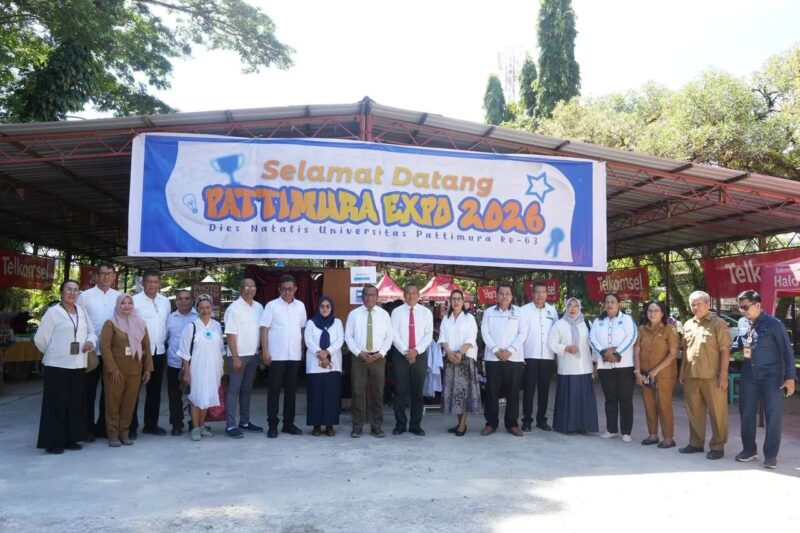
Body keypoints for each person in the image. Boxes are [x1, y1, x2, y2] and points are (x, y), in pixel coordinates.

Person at [734, 290, 796, 469]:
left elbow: (787, 352)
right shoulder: (742, 323)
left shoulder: (774, 324)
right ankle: (749, 450)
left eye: (746, 307)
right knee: (746, 413)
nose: (743, 311)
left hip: (771, 376)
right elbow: (741, 343)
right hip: (749, 375)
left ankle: (770, 455)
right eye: (740, 307)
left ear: (758, 305)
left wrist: (790, 377)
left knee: (773, 415)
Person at [34, 280, 97, 454]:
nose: (72, 293)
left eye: (76, 290)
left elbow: (92, 332)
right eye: (68, 289)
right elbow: (40, 340)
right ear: (61, 291)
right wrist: (56, 351)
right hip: (57, 365)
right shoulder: (53, 313)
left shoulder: (81, 312)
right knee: (56, 404)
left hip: (78, 365)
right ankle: (53, 441)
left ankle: (71, 438)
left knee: (75, 403)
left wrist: (90, 342)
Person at [679, 290, 732, 460]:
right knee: (694, 411)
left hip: (713, 377)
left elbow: (725, 350)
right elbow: (685, 350)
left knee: (718, 413)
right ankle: (696, 443)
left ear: (707, 304)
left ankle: (717, 446)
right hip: (691, 376)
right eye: (693, 304)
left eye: (698, 304)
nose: (695, 307)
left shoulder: (719, 323)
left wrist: (723, 375)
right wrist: (681, 372)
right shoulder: (688, 324)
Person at [100, 294, 153, 447]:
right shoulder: (110, 324)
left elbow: (146, 347)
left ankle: (124, 432)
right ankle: (113, 435)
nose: (127, 306)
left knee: (129, 404)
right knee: (113, 403)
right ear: (118, 305)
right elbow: (105, 347)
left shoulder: (140, 323)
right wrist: (112, 369)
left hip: (135, 370)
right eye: (123, 303)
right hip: (116, 372)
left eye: (130, 303)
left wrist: (148, 368)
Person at [77, 261, 121, 441]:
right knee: (88, 392)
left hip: (112, 353)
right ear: (96, 276)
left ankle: (104, 427)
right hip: (91, 353)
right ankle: (86, 428)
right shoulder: (85, 297)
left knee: (109, 393)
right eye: (102, 273)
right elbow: (79, 323)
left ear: (114, 276)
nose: (105, 277)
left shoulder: (119, 297)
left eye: (109, 273)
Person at [259, 274, 307, 438]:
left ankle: (288, 424)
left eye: (290, 289)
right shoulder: (271, 306)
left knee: (291, 392)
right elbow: (264, 329)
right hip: (276, 355)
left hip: (294, 355)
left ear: (295, 289)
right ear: (279, 289)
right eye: (284, 289)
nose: (287, 292)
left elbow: (302, 329)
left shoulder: (300, 306)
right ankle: (272, 425)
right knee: (273, 391)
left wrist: (301, 349)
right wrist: (264, 351)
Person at [480, 283, 528, 437]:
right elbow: (485, 332)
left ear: (512, 296)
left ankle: (512, 424)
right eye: (501, 293)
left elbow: (523, 333)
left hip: (514, 359)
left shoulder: (519, 312)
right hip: (493, 359)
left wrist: (510, 351)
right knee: (492, 393)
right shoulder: (488, 312)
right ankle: (491, 424)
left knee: (513, 393)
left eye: (507, 293)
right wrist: (495, 350)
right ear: (497, 296)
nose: (504, 296)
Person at [345, 284, 393, 438]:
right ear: (362, 297)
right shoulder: (354, 314)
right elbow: (348, 336)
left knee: (378, 393)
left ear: (377, 297)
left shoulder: (384, 315)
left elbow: (389, 337)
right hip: (359, 358)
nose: (369, 297)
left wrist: (381, 353)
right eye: (366, 295)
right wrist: (358, 353)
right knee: (357, 392)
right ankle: (357, 427)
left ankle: (376, 426)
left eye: (373, 295)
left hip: (378, 359)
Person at [589, 292, 638, 442]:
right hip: (605, 365)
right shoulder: (598, 321)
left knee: (625, 398)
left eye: (613, 302)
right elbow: (592, 339)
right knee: (610, 398)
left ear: (619, 304)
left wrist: (616, 353)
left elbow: (631, 337)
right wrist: (604, 352)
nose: (609, 304)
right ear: (603, 305)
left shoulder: (627, 319)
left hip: (624, 365)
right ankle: (611, 429)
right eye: (607, 302)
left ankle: (626, 432)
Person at [548, 297, 599, 434]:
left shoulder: (587, 323)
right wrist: (565, 348)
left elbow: (593, 345)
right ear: (566, 307)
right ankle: (567, 426)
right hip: (567, 367)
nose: (573, 308)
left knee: (583, 399)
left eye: (576, 305)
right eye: (570, 305)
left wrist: (595, 364)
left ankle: (583, 426)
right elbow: (551, 344)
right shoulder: (559, 324)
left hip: (584, 367)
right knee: (569, 398)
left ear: (580, 307)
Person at [178, 294, 225, 441]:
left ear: (212, 308)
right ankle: (195, 427)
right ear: (197, 309)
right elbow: (185, 352)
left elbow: (220, 349)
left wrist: (221, 368)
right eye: (202, 307)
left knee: (207, 397)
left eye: (208, 307)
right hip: (197, 368)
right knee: (196, 398)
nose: (205, 310)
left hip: (213, 368)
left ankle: (202, 425)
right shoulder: (191, 327)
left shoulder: (217, 326)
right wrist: (187, 372)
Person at [633, 300, 679, 448]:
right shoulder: (641, 329)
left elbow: (673, 353)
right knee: (649, 404)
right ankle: (652, 435)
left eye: (656, 311)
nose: (652, 314)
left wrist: (655, 370)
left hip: (664, 374)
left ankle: (668, 438)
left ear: (662, 313)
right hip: (645, 373)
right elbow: (637, 351)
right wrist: (637, 371)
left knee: (663, 405)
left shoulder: (669, 329)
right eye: (650, 311)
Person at [390, 283, 434, 436]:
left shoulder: (426, 313)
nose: (411, 295)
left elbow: (428, 335)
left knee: (417, 392)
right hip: (401, 355)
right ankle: (400, 424)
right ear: (404, 295)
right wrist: (406, 351)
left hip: (419, 355)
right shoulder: (396, 312)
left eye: (414, 293)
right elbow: (393, 334)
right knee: (400, 391)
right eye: (408, 293)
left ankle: (415, 425)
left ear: (419, 295)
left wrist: (416, 351)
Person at [223, 278, 265, 438]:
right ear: (240, 289)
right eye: (246, 286)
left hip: (253, 354)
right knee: (234, 390)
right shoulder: (234, 308)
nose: (249, 289)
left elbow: (261, 331)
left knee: (247, 389)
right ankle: (230, 425)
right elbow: (231, 334)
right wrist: (235, 357)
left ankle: (245, 422)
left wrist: (260, 351)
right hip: (238, 356)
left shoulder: (259, 307)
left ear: (255, 289)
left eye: (252, 286)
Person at [131, 270, 171, 437]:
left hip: (159, 351)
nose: (153, 285)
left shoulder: (165, 302)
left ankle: (151, 424)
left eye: (156, 282)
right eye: (149, 281)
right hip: (138, 352)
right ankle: (130, 426)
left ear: (159, 283)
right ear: (143, 283)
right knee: (133, 390)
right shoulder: (134, 301)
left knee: (154, 391)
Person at [439, 290, 481, 436]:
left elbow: (471, 338)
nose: (456, 302)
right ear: (450, 301)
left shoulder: (469, 318)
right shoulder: (446, 318)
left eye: (459, 299)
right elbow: (442, 337)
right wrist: (449, 352)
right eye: (453, 299)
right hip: (450, 359)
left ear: (463, 302)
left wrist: (460, 353)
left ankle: (462, 425)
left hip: (465, 359)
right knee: (454, 393)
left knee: (463, 393)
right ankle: (459, 423)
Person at [519, 280, 558, 432]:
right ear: (532, 293)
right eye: (537, 292)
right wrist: (520, 356)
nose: (540, 295)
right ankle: (527, 420)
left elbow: (556, 333)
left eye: (543, 292)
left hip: (547, 357)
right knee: (529, 390)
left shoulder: (552, 311)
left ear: (547, 294)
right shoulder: (524, 311)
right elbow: (520, 334)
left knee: (544, 389)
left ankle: (542, 420)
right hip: (529, 355)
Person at [304, 296, 344, 436]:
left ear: (331, 308)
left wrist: (327, 352)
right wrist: (320, 354)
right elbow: (308, 340)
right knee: (316, 395)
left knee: (331, 395)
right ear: (318, 308)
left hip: (333, 364)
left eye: (328, 306)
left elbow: (340, 340)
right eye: (322, 306)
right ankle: (316, 425)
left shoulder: (337, 322)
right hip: (315, 365)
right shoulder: (311, 322)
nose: (325, 309)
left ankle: (329, 425)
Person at [165, 289, 196, 436]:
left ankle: (194, 423)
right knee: (174, 396)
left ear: (192, 300)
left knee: (195, 395)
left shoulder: (199, 316)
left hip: (195, 364)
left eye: (187, 298)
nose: (183, 301)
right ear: (175, 300)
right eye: (180, 298)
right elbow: (165, 338)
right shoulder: (169, 318)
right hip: (175, 363)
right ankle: (177, 424)